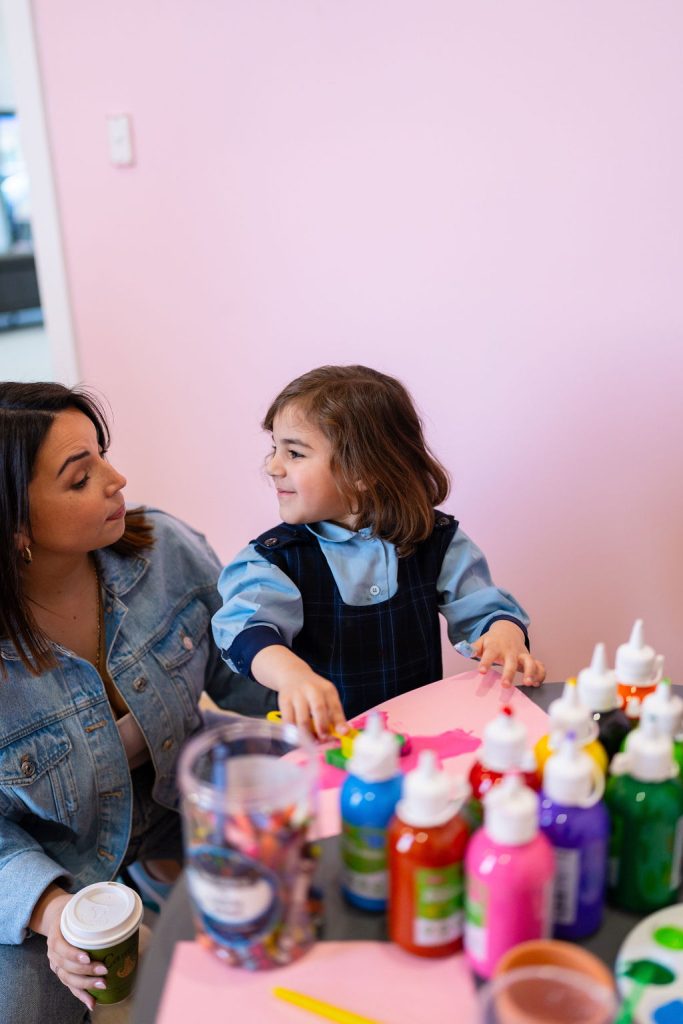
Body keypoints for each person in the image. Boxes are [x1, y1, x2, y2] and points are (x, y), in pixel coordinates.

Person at [0, 382, 253, 1024]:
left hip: (181, 793)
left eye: (102, 456)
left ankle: (163, 880)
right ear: (14, 525)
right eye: (81, 478)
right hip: (51, 858)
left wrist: (298, 638)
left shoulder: (163, 550)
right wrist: (54, 913)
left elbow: (242, 680)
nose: (118, 481)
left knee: (300, 883)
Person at [212, 365, 546, 740]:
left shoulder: (435, 538)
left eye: (294, 453)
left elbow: (483, 607)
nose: (273, 466)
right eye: (275, 448)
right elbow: (246, 630)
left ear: (363, 470)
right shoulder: (274, 559)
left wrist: (503, 634)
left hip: (417, 737)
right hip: (326, 747)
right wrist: (293, 676)